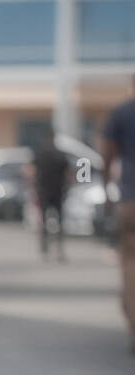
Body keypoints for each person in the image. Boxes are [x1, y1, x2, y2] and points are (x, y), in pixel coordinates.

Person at [101, 75, 135, 346]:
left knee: (130, 265)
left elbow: (107, 155)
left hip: (130, 200)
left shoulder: (122, 113)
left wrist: (106, 192)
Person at [32, 124, 70, 261]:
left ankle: (45, 250)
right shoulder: (60, 154)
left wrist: (33, 188)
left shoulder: (39, 153)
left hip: (44, 192)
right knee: (59, 223)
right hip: (58, 192)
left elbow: (31, 173)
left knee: (44, 222)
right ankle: (58, 251)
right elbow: (69, 174)